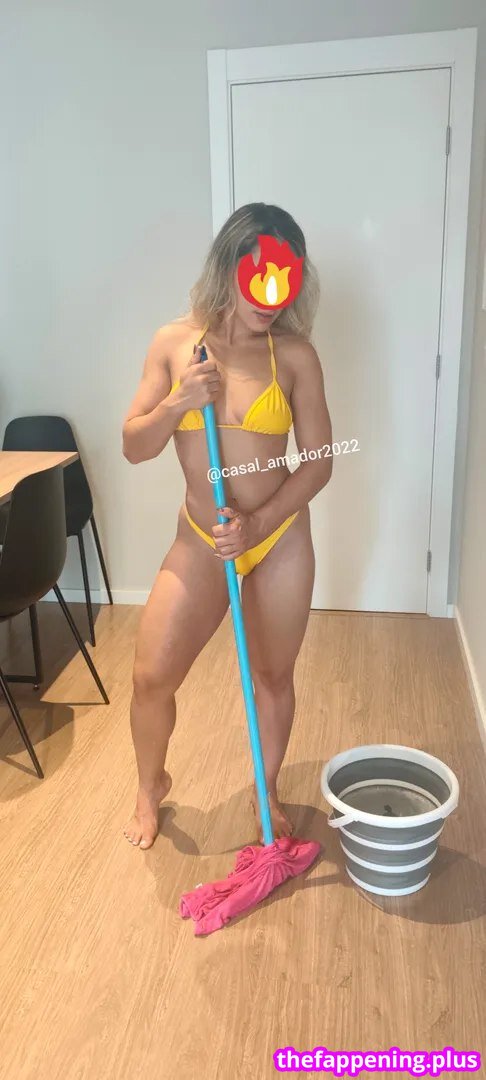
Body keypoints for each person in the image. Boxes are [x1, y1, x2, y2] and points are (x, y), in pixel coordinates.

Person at [122, 202, 333, 850]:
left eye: (286, 279)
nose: (272, 295)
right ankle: (150, 786)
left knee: (272, 675)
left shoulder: (294, 355)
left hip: (276, 537)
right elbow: (134, 446)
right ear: (229, 267)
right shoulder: (174, 344)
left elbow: (320, 461)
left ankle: (265, 788)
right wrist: (179, 401)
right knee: (151, 677)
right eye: (260, 276)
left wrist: (260, 521)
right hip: (201, 535)